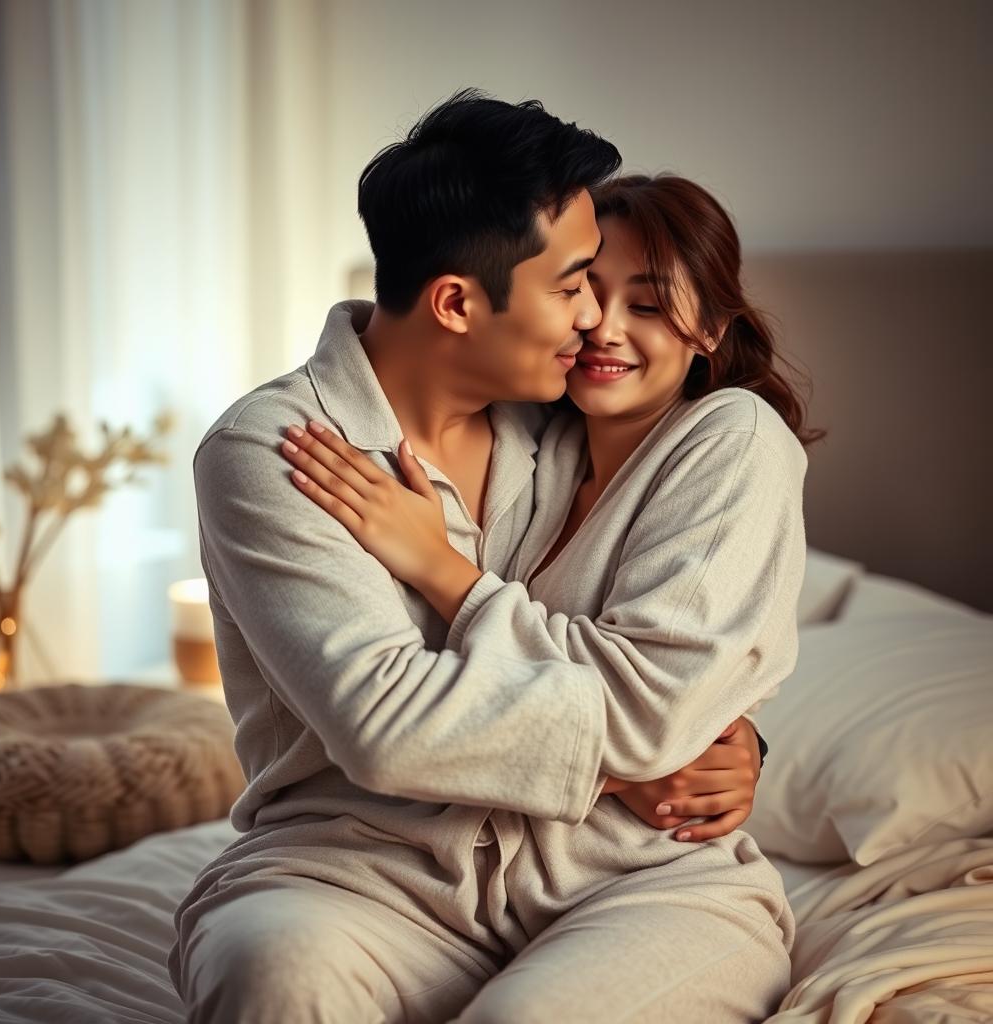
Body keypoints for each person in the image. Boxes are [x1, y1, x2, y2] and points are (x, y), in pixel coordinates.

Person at [168, 91, 802, 1023]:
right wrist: (640, 752)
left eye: (628, 294)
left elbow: (673, 664)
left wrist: (727, 731)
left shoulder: (569, 420)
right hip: (356, 873)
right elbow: (389, 726)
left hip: (626, 878)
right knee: (274, 976)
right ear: (458, 303)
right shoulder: (278, 455)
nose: (594, 321)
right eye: (575, 281)